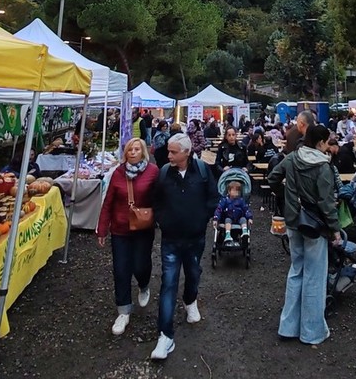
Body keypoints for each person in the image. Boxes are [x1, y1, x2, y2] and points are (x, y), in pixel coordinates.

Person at [268, 124, 340, 346]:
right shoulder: (323, 166)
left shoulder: (292, 158)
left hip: (293, 221)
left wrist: (287, 198)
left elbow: (272, 178)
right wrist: (335, 228)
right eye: (327, 142)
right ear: (320, 143)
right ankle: (311, 331)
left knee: (296, 270)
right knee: (314, 276)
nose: (328, 146)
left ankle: (288, 327)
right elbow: (326, 202)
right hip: (315, 225)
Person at [151, 133, 218, 361]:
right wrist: (162, 220)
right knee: (168, 283)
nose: (168, 155)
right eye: (168, 151)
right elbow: (156, 200)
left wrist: (202, 218)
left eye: (173, 152)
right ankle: (165, 335)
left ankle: (190, 300)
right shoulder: (163, 173)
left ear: (187, 152)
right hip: (170, 239)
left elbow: (213, 197)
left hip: (195, 237)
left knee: (193, 272)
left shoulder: (202, 170)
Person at [97, 138, 160, 335]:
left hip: (143, 228)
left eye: (136, 149)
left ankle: (143, 284)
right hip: (120, 229)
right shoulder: (117, 173)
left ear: (143, 152)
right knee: (121, 269)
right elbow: (108, 202)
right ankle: (123, 310)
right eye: (129, 149)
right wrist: (102, 228)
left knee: (141, 264)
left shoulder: (152, 172)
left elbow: (160, 197)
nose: (133, 152)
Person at [213, 179, 252, 244]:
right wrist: (216, 218)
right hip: (228, 217)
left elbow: (246, 209)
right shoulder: (225, 200)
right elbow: (219, 209)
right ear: (229, 191)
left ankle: (244, 232)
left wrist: (250, 217)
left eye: (238, 191)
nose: (236, 192)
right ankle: (227, 234)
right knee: (227, 220)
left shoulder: (241, 200)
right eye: (234, 191)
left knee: (243, 219)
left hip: (239, 218)